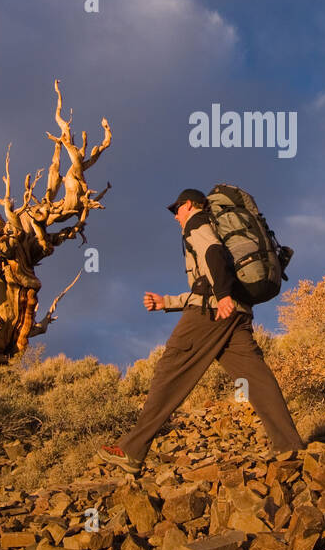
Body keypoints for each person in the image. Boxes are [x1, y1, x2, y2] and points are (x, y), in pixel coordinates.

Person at [97, 189, 305, 475]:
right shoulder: (214, 227)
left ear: (191, 205)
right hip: (236, 312)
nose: (176, 216)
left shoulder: (197, 222)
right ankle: (290, 447)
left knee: (170, 369)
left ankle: (132, 450)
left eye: (177, 208)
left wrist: (221, 296)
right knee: (255, 377)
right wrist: (166, 302)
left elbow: (213, 255)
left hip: (212, 312)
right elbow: (204, 283)